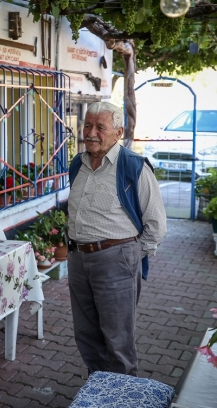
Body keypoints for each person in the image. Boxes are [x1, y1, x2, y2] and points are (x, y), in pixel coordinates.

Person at [67, 101, 167, 376]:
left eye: (101, 127)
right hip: (78, 259)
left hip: (115, 260)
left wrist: (130, 254)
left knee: (118, 340)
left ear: (118, 132)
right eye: (88, 125)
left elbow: (156, 224)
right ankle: (98, 392)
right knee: (86, 335)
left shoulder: (134, 167)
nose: (91, 132)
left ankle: (124, 397)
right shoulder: (78, 163)